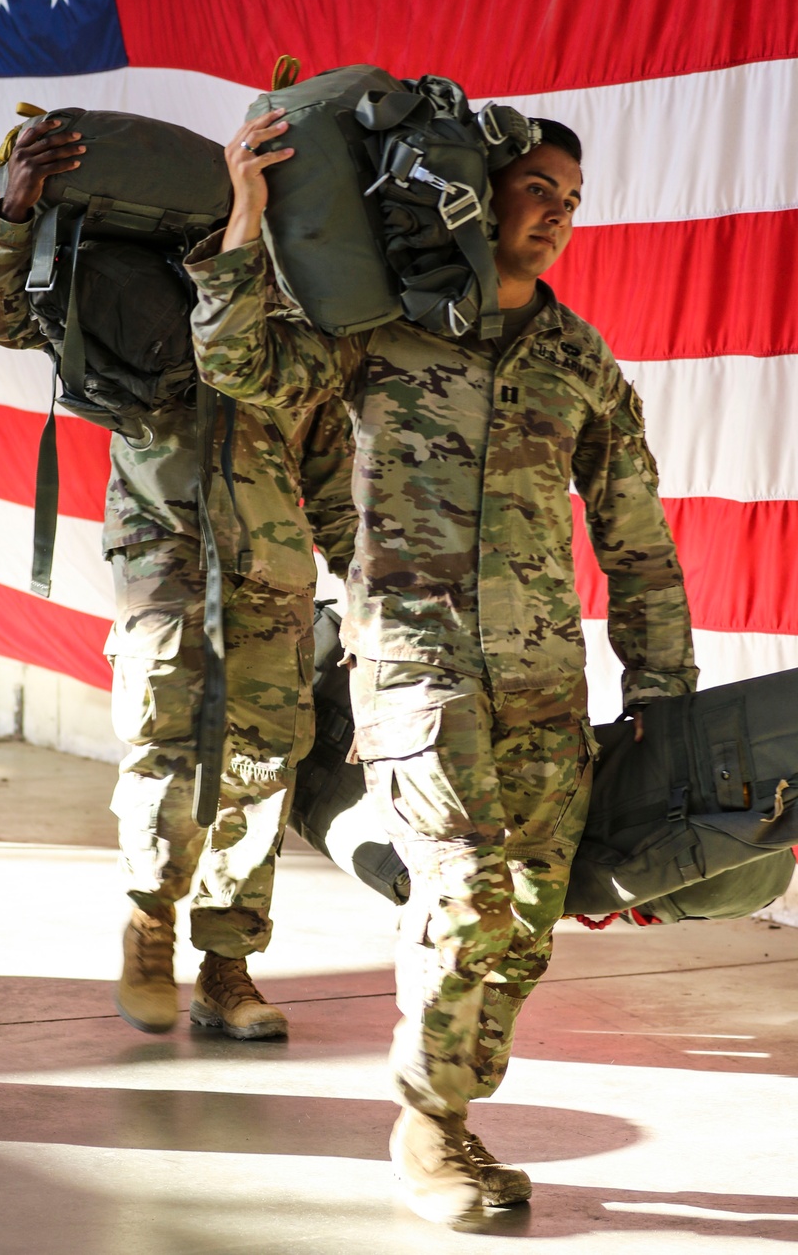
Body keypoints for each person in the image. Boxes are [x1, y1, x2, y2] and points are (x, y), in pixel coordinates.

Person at [184, 104, 697, 1219]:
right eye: (536, 191)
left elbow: (635, 534)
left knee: (522, 920)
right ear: (479, 193)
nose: (556, 216)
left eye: (571, 202)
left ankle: (450, 1117)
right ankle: (427, 1126)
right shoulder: (384, 333)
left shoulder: (576, 359)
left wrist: (664, 688)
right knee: (464, 894)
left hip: (545, 684)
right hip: (417, 671)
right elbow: (237, 363)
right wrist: (245, 214)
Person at [0, 117, 355, 1041]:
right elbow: (2, 314)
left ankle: (228, 967)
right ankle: (150, 921)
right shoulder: (139, 286)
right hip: (165, 562)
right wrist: (17, 206)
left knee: (261, 769)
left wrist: (363, 586)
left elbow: (333, 472)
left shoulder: (305, 330)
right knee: (166, 750)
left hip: (274, 573)